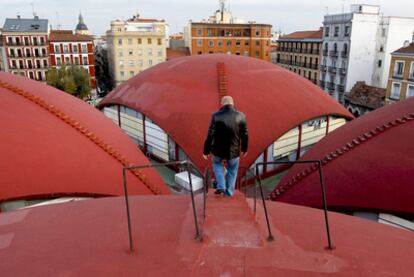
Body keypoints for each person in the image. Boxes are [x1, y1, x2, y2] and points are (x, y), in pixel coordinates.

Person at [203, 96, 248, 197]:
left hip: (218, 150)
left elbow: (210, 134)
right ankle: (229, 193)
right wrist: (244, 148)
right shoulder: (241, 116)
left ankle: (221, 186)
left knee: (217, 165)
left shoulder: (216, 116)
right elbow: (244, 134)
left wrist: (206, 151)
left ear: (222, 104)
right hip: (234, 150)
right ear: (233, 103)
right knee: (232, 170)